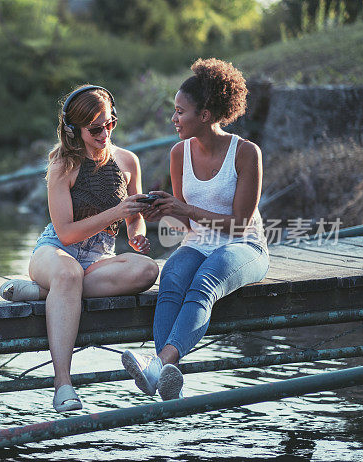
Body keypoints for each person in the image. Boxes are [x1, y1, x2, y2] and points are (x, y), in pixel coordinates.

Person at [0, 85, 159, 412]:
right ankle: (63, 384)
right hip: (55, 252)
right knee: (69, 272)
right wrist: (117, 212)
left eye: (110, 124)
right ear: (74, 129)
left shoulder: (128, 161)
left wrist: (136, 232)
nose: (105, 133)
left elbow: (134, 217)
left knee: (148, 269)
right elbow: (66, 233)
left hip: (99, 259)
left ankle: (46, 293)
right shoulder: (62, 165)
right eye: (96, 128)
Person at [122, 58, 269, 401]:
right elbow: (188, 223)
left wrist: (183, 207)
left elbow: (239, 224)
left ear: (204, 115)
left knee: (206, 278)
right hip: (199, 241)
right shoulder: (179, 153)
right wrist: (163, 213)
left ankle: (158, 365)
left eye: (179, 112)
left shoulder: (246, 153)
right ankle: (164, 372)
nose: (173, 119)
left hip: (244, 246)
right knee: (172, 275)